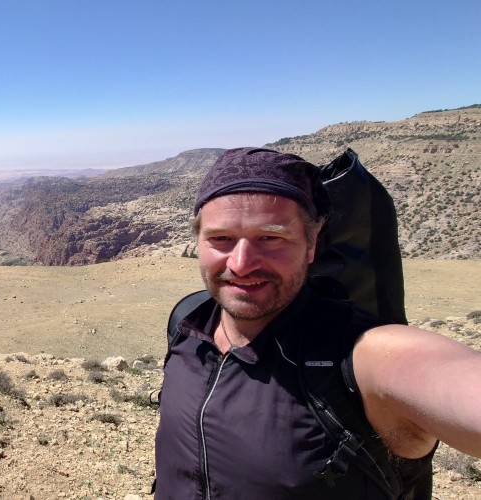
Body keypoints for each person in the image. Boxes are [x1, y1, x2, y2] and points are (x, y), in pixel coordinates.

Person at [154, 148, 481, 499]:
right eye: (221, 238)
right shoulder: (188, 327)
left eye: (271, 237)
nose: (242, 263)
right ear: (198, 241)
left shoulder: (362, 354)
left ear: (311, 242)